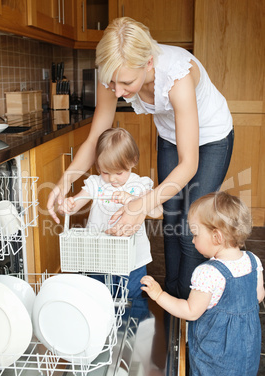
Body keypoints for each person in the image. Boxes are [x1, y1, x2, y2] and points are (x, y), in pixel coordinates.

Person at [47, 17, 234, 299]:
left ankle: (191, 307)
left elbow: (189, 163)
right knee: (170, 218)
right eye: (112, 83)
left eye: (126, 83)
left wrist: (140, 205)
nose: (118, 92)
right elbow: (95, 139)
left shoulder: (177, 75)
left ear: (148, 63)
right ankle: (172, 298)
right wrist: (64, 182)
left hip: (212, 138)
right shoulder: (114, 76)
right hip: (171, 136)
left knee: (191, 228)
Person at [141, 192, 265, 376]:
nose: (192, 239)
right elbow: (258, 297)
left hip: (215, 358)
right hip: (246, 352)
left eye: (196, 234)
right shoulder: (253, 260)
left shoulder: (208, 273)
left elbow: (190, 311)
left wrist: (159, 294)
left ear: (217, 237)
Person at [62, 127, 162, 300]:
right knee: (96, 299)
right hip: (98, 257)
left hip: (132, 261)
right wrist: (69, 204)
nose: (112, 179)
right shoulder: (96, 183)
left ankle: (129, 325)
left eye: (119, 173)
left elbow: (157, 211)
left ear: (133, 162)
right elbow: (77, 203)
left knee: (132, 300)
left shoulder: (139, 185)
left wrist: (134, 200)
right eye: (105, 172)